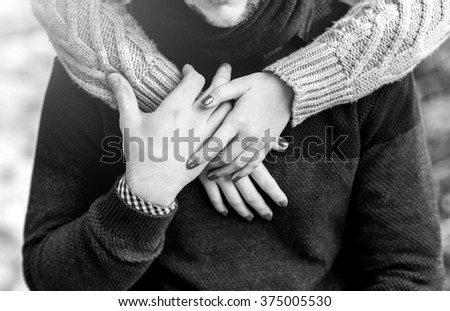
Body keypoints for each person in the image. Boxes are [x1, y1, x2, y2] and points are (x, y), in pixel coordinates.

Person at [23, 0, 448, 290]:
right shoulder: (94, 65)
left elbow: (407, 273)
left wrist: (293, 86)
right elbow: (48, 281)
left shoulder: (367, 60)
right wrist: (142, 195)